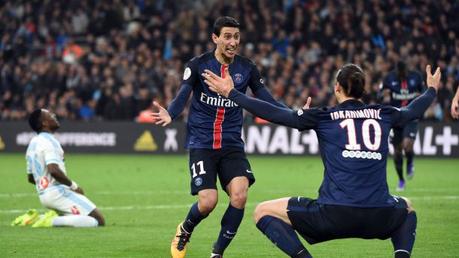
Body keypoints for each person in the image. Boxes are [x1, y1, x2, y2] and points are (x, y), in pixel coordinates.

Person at [203, 63, 440, 258]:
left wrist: (232, 93)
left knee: (262, 211)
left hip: (332, 215)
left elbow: (275, 114)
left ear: (337, 88)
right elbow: (413, 111)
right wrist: (431, 90)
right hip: (378, 214)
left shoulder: (324, 117)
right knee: (408, 208)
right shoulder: (384, 113)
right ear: (364, 90)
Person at [152, 16, 286, 258]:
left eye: (235, 36)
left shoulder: (247, 68)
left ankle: (217, 253)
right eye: (227, 36)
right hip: (201, 143)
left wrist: (293, 114)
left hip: (231, 144)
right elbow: (183, 93)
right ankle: (185, 228)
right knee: (208, 201)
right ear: (215, 38)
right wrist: (171, 113)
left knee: (240, 194)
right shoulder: (197, 65)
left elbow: (266, 98)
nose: (232, 41)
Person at [13, 108, 105, 228]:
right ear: (44, 123)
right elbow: (53, 170)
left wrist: (45, 185)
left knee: (73, 217)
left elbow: (31, 178)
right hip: (58, 192)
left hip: (43, 195)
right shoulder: (50, 141)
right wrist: (74, 186)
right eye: (50, 115)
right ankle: (50, 221)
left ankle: (33, 218)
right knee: (98, 220)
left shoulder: (32, 144)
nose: (54, 115)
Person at [380, 61, 426, 191]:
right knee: (397, 151)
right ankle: (401, 180)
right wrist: (384, 95)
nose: (402, 75)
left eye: (404, 73)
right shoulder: (389, 78)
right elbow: (379, 92)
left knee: (407, 145)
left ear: (407, 70)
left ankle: (410, 162)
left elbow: (424, 92)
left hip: (411, 116)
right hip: (395, 117)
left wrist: (420, 96)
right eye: (400, 74)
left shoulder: (416, 76)